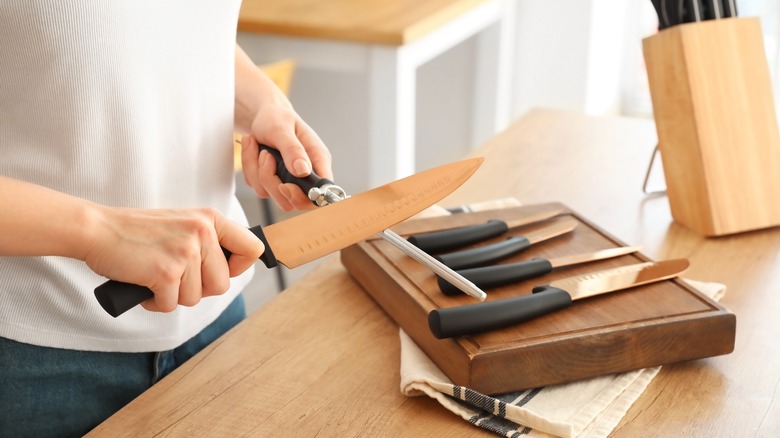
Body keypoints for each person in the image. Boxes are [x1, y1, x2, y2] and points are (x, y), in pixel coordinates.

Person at [0, 2, 332, 436]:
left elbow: (171, 33)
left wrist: (263, 105)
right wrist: (98, 233)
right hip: (37, 357)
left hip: (219, 316)